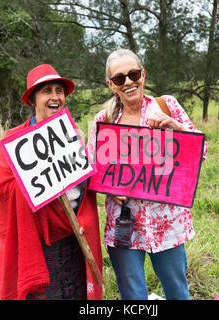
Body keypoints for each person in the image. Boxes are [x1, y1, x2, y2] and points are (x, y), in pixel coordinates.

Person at [87, 49, 208, 300]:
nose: (129, 82)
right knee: (133, 296)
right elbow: (91, 169)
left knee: (177, 291)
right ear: (111, 85)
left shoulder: (167, 106)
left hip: (167, 223)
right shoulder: (105, 120)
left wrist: (175, 127)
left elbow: (201, 151)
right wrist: (109, 188)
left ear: (143, 74)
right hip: (123, 224)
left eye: (133, 74)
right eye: (120, 78)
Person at [0, 64, 103, 300]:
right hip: (39, 241)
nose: (55, 97)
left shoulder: (73, 135)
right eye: (46, 91)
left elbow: (86, 184)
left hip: (76, 235)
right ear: (33, 100)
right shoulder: (13, 143)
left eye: (59, 90)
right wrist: (25, 184)